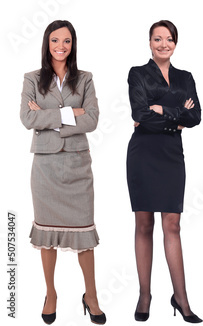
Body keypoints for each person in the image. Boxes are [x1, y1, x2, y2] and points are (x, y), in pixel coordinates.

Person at [20, 20, 106, 325]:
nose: (61, 46)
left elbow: (93, 119)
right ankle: (51, 293)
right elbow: (27, 118)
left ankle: (91, 295)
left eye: (67, 41)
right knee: (46, 237)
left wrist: (47, 117)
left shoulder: (84, 79)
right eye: (55, 40)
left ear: (73, 44)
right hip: (44, 168)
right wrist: (70, 113)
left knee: (84, 234)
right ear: (46, 43)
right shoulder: (32, 78)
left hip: (77, 166)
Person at [126, 19, 203, 323]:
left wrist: (163, 110)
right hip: (143, 154)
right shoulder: (138, 73)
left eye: (168, 39)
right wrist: (175, 114)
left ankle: (181, 299)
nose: (163, 44)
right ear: (149, 43)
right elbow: (139, 115)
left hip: (172, 154)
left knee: (173, 225)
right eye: (157, 39)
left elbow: (196, 115)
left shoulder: (186, 77)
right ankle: (145, 295)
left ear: (175, 43)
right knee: (144, 224)